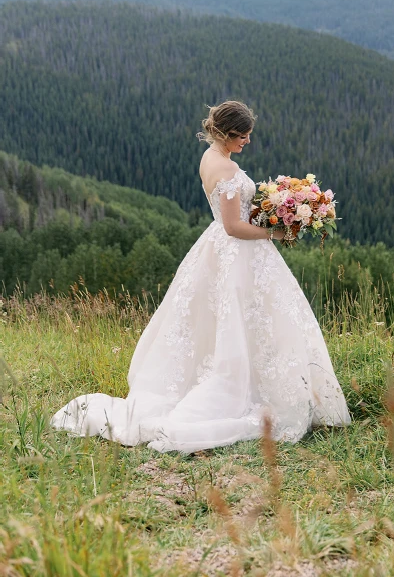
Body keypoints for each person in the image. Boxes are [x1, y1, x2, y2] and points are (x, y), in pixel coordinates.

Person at [51, 100, 350, 453]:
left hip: (217, 250)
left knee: (229, 321)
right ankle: (251, 390)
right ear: (227, 133)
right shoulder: (226, 169)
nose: (248, 142)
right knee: (246, 320)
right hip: (237, 253)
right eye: (244, 136)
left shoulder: (210, 157)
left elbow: (234, 213)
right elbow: (233, 226)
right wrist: (277, 233)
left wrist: (273, 207)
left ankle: (257, 381)